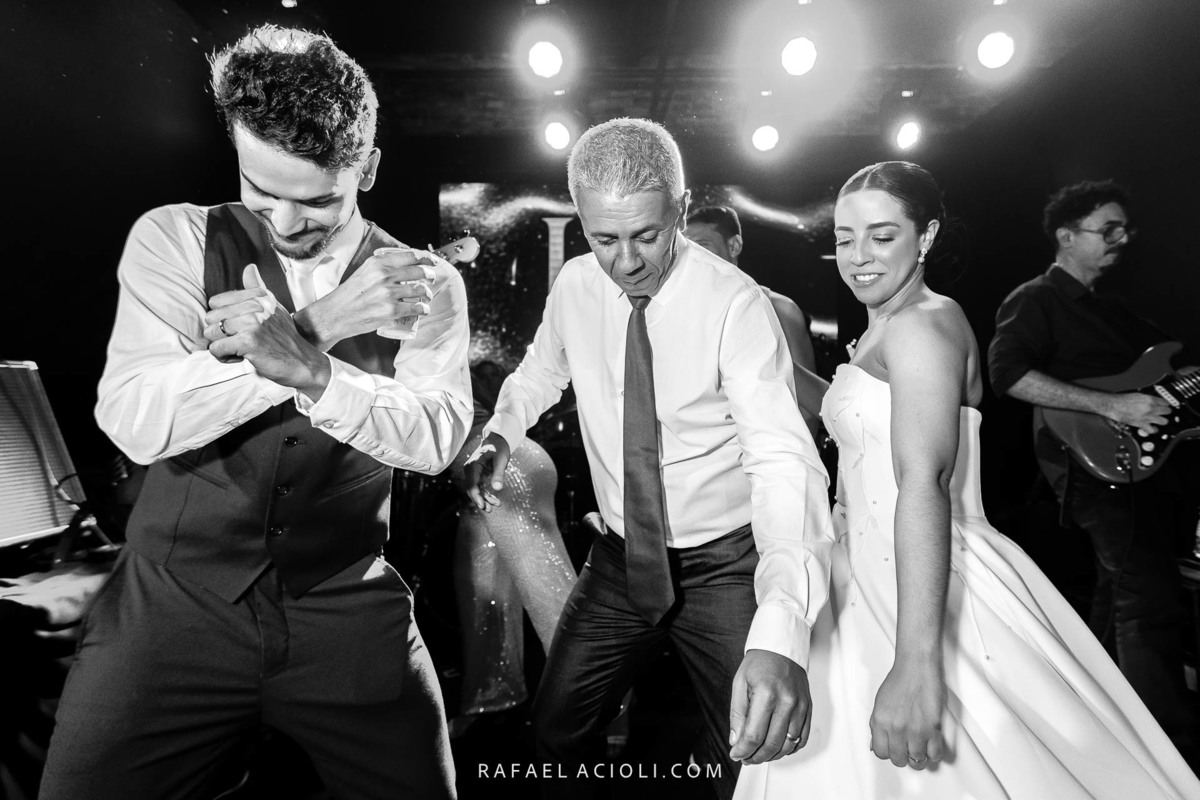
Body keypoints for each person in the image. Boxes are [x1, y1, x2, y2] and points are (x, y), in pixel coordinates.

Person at [39, 25, 471, 800]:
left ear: (369, 169)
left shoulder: (426, 284)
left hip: (345, 605)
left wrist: (309, 370)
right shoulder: (172, 238)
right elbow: (135, 420)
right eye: (261, 190)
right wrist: (322, 326)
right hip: (171, 606)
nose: (285, 222)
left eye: (318, 200)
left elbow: (437, 437)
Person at [736, 161, 1200, 799]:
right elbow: (851, 412)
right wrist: (759, 358)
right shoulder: (891, 322)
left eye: (882, 236)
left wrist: (915, 664)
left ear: (926, 236)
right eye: (844, 238)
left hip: (918, 572)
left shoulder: (922, 325)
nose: (858, 255)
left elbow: (922, 481)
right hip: (867, 568)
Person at [465, 118, 834, 799]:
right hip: (620, 559)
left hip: (725, 562)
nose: (626, 261)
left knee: (750, 751)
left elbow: (783, 460)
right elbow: (540, 371)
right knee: (557, 730)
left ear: (682, 211)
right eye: (604, 239)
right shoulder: (576, 286)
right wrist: (502, 430)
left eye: (647, 235)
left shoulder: (735, 305)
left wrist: (783, 625)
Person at [987, 179, 1200, 763]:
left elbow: (1165, 378)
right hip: (1091, 463)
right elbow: (1008, 375)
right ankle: (1171, 750)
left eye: (1124, 229)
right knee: (1147, 597)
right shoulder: (1036, 299)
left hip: (1146, 467)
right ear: (1067, 235)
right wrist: (1115, 406)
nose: (1121, 239)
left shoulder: (1113, 308)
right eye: (1108, 229)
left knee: (1118, 594)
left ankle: (1098, 723)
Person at [447, 360, 576, 738]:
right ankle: (492, 694)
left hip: (506, 469)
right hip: (498, 468)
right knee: (481, 589)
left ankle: (608, 704)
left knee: (549, 595)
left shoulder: (435, 372)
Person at [684, 205, 827, 431]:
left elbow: (809, 411)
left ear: (734, 246)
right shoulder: (680, 312)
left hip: (767, 448)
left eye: (701, 245)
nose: (692, 256)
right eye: (686, 247)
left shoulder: (779, 309)